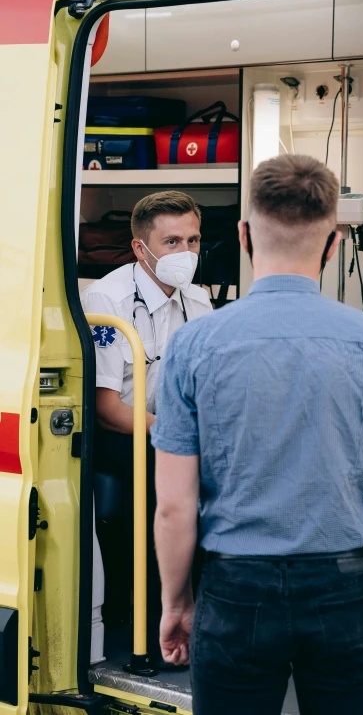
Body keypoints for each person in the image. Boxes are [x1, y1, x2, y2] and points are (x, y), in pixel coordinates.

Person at [151, 155, 363, 715]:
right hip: (349, 589)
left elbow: (174, 506)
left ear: (245, 236)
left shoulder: (195, 344)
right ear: (331, 244)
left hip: (234, 588)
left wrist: (175, 602)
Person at [81, 190, 212, 662]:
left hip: (175, 437)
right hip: (124, 439)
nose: (186, 253)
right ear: (141, 248)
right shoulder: (107, 297)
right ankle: (156, 636)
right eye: (172, 241)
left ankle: (206, 625)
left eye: (193, 240)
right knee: (169, 500)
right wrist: (184, 438)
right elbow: (107, 410)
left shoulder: (199, 299)